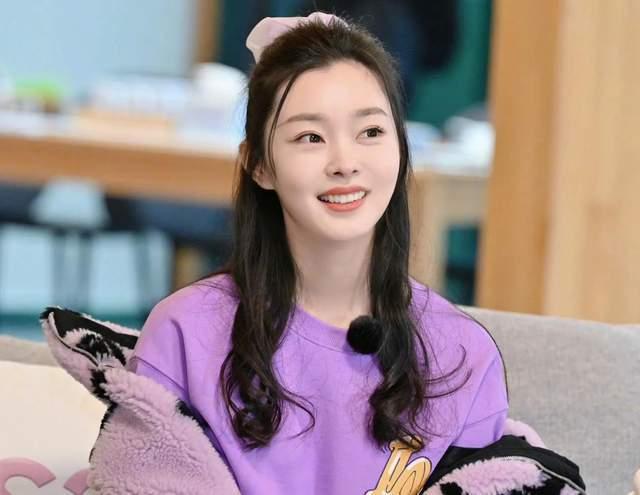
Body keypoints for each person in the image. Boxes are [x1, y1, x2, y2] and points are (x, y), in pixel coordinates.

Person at [126, 12, 508, 494]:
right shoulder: (184, 332)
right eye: (310, 137)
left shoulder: (462, 354)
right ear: (259, 165)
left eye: (370, 132)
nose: (345, 163)